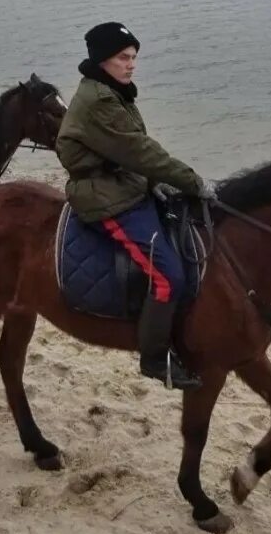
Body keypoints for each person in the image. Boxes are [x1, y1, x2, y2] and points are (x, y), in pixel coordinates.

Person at [56, 22, 215, 390]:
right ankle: (155, 358)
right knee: (168, 275)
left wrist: (156, 181)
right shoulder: (99, 101)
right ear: (102, 60)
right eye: (123, 58)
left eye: (134, 57)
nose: (131, 65)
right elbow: (141, 151)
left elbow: (132, 151)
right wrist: (193, 181)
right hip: (105, 197)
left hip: (124, 183)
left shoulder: (113, 91)